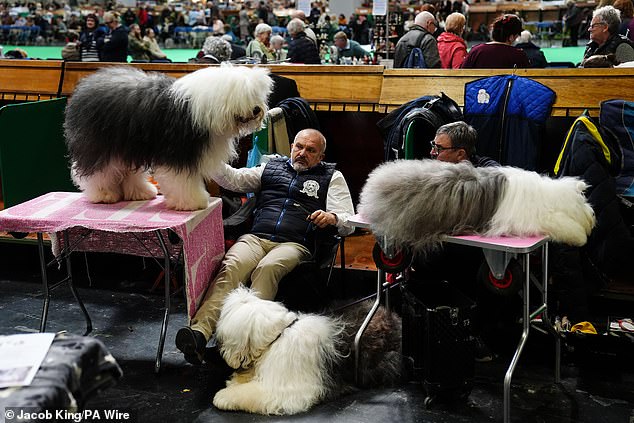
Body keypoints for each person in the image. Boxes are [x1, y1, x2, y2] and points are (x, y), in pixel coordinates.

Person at [175, 129, 355, 365]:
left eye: (311, 150)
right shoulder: (271, 167)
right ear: (291, 146)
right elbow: (234, 179)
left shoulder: (332, 177)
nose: (302, 153)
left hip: (294, 243)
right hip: (256, 237)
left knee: (267, 268)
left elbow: (349, 221)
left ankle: (248, 344)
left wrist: (332, 217)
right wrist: (208, 156)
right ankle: (199, 334)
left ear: (321, 156)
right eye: (299, 147)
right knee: (231, 266)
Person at [461, 14, 530, 69]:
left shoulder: (476, 51)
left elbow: (462, 73)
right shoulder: (518, 55)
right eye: (516, 36)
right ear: (511, 37)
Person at [430, 121, 499, 167]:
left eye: (439, 148)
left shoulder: (488, 172)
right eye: (433, 145)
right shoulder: (433, 168)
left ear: (460, 154)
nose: (432, 152)